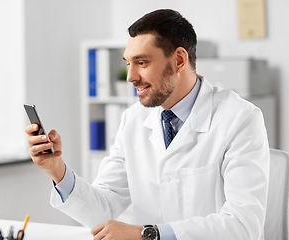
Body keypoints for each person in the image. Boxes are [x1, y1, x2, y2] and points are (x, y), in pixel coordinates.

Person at [25, 9, 270, 240]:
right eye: (128, 63)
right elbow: (104, 208)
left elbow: (243, 226)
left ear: (179, 60)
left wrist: (148, 234)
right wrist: (57, 170)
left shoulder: (240, 119)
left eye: (142, 63)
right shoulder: (133, 119)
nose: (131, 77)